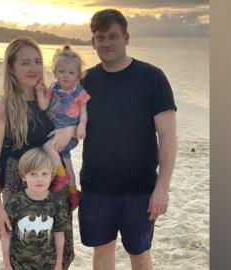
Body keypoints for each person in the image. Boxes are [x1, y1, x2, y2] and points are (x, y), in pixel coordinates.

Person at [78, 9, 178, 270]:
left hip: (140, 189)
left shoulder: (152, 77)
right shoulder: (85, 81)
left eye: (113, 36)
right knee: (101, 251)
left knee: (140, 253)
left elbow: (167, 136)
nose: (107, 43)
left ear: (126, 37)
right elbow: (64, 126)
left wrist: (162, 188)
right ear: (93, 42)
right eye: (101, 37)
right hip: (96, 186)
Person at [0, 37, 75, 270]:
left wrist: (70, 178)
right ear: (11, 69)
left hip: (54, 182)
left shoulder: (51, 98)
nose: (33, 68)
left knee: (59, 253)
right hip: (17, 184)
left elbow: (66, 131)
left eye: (36, 61)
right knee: (20, 255)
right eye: (24, 63)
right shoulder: (2, 106)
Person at [35, 45, 90, 211]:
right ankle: (73, 193)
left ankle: (61, 175)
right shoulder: (53, 88)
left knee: (47, 147)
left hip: (70, 133)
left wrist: (81, 126)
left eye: (71, 72)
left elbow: (84, 112)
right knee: (68, 162)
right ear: (55, 71)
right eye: (62, 71)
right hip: (55, 129)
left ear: (78, 75)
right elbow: (44, 106)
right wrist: (39, 93)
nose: (66, 76)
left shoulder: (79, 92)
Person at [4, 148, 68, 270]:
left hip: (47, 265)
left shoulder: (56, 203)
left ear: (51, 176)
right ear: (24, 176)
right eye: (33, 174)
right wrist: (7, 265)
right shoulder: (14, 203)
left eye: (44, 174)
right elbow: (6, 235)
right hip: (19, 265)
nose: (40, 179)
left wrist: (59, 264)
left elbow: (59, 233)